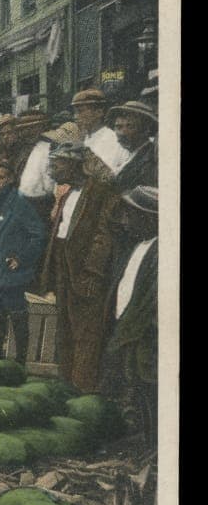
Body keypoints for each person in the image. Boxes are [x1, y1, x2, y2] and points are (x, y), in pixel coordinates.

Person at [38, 143, 120, 393]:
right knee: (65, 325)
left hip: (84, 269)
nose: (51, 171)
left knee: (86, 329)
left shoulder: (99, 191)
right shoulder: (68, 191)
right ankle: (66, 384)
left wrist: (94, 271)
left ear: (74, 165)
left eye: (57, 165)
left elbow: (103, 234)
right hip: (64, 263)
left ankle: (83, 388)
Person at [0, 158, 48, 365]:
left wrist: (21, 258)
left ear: (11, 179)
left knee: (16, 313)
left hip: (9, 270)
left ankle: (20, 359)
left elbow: (38, 234)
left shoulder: (19, 204)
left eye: (1, 178)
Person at [100, 185, 158, 449]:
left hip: (143, 335)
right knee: (137, 387)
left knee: (148, 388)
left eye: (131, 215)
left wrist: (126, 333)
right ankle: (146, 441)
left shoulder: (161, 253)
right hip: (129, 329)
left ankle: (154, 444)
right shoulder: (138, 245)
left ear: (150, 218)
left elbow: (150, 303)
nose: (125, 221)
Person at [73, 88, 129, 182]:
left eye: (80, 111)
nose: (75, 117)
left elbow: (106, 177)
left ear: (99, 112)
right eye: (75, 112)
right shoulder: (86, 138)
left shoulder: (112, 139)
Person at [15, 111, 60, 223]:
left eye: (31, 128)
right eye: (24, 129)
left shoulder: (50, 148)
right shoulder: (23, 149)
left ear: (42, 127)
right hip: (22, 201)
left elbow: (51, 182)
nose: (27, 132)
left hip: (41, 204)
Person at [109, 100, 159, 191]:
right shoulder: (128, 154)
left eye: (130, 126)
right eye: (118, 127)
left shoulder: (151, 158)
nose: (123, 132)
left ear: (145, 130)